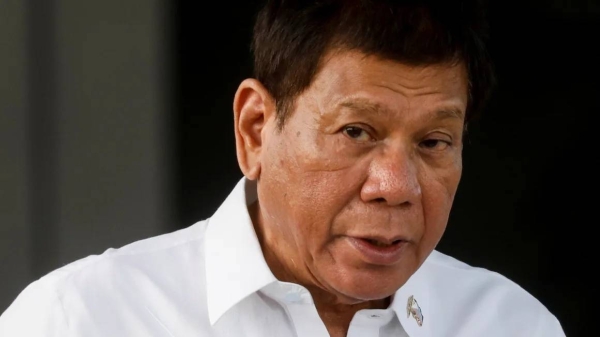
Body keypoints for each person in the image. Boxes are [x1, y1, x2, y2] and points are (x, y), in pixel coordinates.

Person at [0, 1, 566, 336]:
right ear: (255, 129)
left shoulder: (508, 325)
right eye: (355, 132)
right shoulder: (84, 320)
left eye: (434, 141)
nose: (396, 187)